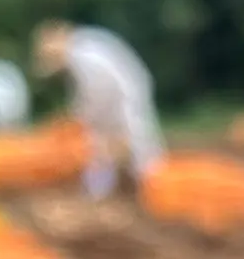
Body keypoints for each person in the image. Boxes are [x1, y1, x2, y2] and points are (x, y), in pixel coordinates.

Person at [32, 21, 166, 200]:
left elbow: (96, 92)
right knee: (105, 144)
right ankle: (108, 188)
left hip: (125, 97)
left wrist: (82, 118)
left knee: (135, 141)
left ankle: (153, 187)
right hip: (119, 96)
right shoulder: (81, 49)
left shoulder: (82, 55)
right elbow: (86, 95)